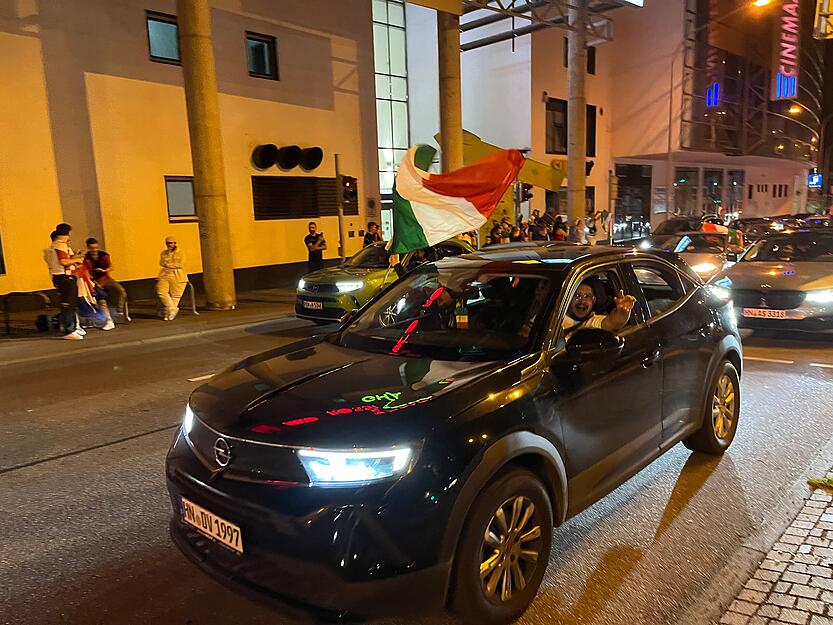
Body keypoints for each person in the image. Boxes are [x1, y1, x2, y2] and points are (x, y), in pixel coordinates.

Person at [44, 227, 85, 339]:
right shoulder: (60, 245)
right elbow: (64, 261)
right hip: (65, 278)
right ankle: (69, 330)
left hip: (60, 278)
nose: (69, 237)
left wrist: (75, 258)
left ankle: (73, 327)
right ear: (64, 234)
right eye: (69, 235)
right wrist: (77, 260)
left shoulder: (51, 248)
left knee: (69, 303)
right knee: (68, 304)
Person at [563, 279, 637, 333]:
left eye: (588, 296)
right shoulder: (556, 319)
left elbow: (614, 322)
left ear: (594, 301)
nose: (582, 301)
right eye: (577, 295)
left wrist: (623, 311)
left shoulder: (593, 321)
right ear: (568, 299)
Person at [85, 238, 126, 322]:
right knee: (97, 296)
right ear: (88, 247)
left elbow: (111, 267)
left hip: (105, 278)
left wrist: (104, 270)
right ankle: (98, 316)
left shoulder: (104, 255)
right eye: (92, 248)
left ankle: (119, 311)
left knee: (121, 291)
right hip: (94, 281)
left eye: (96, 248)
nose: (94, 250)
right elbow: (86, 272)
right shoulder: (86, 258)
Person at [157, 236, 187, 321]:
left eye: (171, 243)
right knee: (161, 292)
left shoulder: (181, 253)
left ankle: (170, 313)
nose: (169, 245)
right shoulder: (164, 253)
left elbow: (181, 264)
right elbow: (161, 263)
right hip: (165, 274)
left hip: (178, 275)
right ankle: (172, 309)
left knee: (176, 295)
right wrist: (170, 265)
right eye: (167, 243)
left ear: (175, 243)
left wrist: (169, 265)